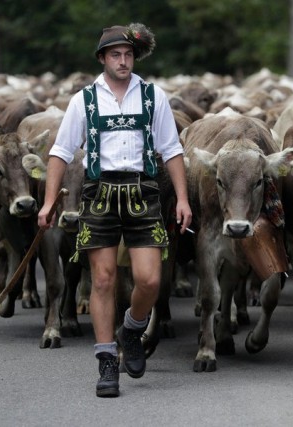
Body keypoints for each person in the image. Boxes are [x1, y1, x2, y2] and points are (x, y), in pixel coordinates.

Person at [38, 23, 192, 398]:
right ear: (103, 59)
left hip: (143, 191)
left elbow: (171, 150)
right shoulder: (84, 100)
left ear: (134, 57)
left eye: (128, 55)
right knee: (103, 280)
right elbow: (60, 151)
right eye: (115, 55)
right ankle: (107, 361)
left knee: (150, 281)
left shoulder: (154, 96)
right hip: (99, 193)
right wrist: (48, 200)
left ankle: (132, 328)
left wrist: (184, 199)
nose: (123, 61)